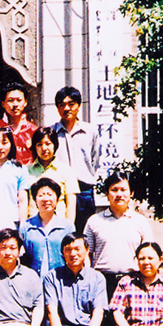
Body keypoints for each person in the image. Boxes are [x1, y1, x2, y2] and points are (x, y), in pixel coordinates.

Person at [85, 170, 153, 300]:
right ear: (107, 193)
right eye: (114, 190)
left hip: (133, 282)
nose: (119, 194)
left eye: (123, 190)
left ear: (131, 193)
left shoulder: (141, 222)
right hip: (101, 282)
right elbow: (87, 254)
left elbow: (149, 255)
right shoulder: (94, 221)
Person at [50, 86, 99, 232]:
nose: (66, 108)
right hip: (60, 191)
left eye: (71, 104)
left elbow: (95, 159)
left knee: (85, 233)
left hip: (84, 190)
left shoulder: (90, 131)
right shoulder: (51, 132)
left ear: (78, 105)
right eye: (62, 105)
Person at [20, 178, 75, 276]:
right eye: (41, 195)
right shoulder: (26, 227)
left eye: (50, 194)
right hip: (33, 279)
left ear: (57, 199)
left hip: (61, 279)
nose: (45, 199)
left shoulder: (67, 226)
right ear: (35, 200)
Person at [26, 126, 78, 222]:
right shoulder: (26, 171)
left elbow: (71, 205)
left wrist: (69, 226)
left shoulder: (67, 171)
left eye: (48, 144)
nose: (44, 148)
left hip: (59, 224)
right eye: (39, 144)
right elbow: (24, 203)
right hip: (33, 225)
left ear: (55, 145)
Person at [0, 83, 38, 166]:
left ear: (25, 102)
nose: (15, 104)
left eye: (19, 100)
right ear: (3, 104)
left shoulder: (33, 130)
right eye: (10, 100)